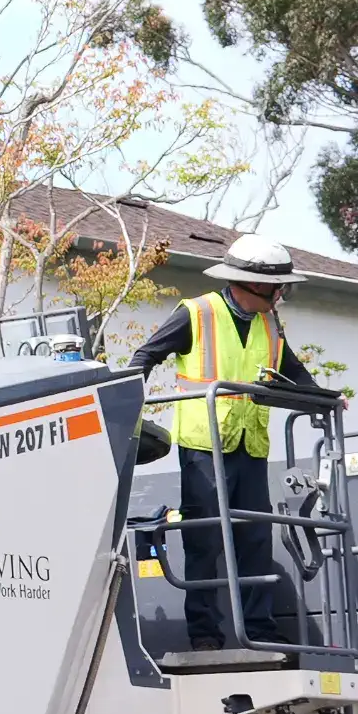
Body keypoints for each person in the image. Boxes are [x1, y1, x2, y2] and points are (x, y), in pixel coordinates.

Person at [124, 237, 333, 649]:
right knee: (204, 540)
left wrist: (326, 400)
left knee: (255, 537)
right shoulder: (196, 313)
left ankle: (260, 630)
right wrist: (127, 417)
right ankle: (205, 636)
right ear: (251, 285)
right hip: (205, 447)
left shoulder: (269, 325)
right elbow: (143, 359)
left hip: (250, 446)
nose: (281, 295)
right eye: (278, 288)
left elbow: (294, 372)